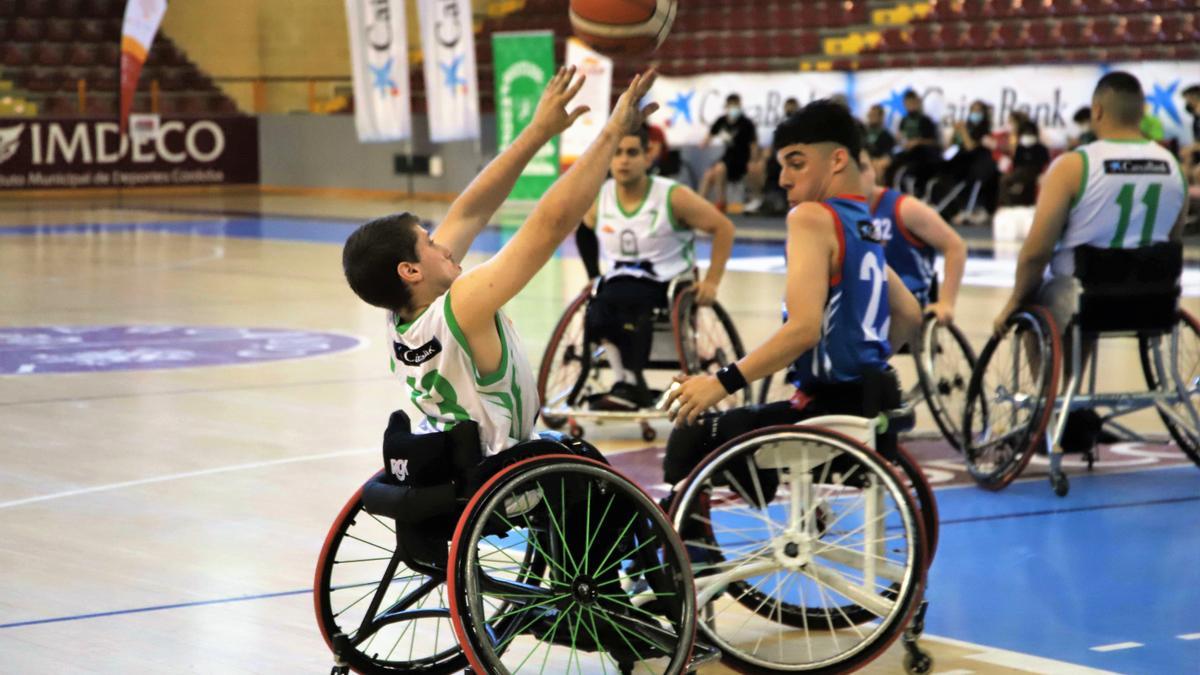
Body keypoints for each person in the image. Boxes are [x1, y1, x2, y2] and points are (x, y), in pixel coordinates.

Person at [341, 66, 659, 455]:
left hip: (452, 464)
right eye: (428, 242)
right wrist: (611, 132)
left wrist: (539, 131)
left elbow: (470, 211)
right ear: (410, 271)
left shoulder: (401, 316)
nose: (443, 245)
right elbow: (550, 225)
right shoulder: (463, 304)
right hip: (503, 469)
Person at [661, 100, 921, 485]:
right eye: (782, 164)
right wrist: (862, 360)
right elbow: (910, 314)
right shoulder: (863, 225)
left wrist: (719, 382)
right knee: (749, 423)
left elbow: (803, 331)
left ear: (836, 160)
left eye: (796, 164)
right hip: (873, 405)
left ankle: (697, 545)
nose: (782, 178)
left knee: (691, 435)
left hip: (825, 414)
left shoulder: (811, 218)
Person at [993, 71, 1189, 455]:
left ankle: (1054, 413)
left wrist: (1016, 300)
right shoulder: (1172, 166)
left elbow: (1036, 252)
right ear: (1141, 112)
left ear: (1097, 110)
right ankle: (1073, 406)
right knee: (1088, 301)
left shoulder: (1074, 165)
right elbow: (1173, 238)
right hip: (1157, 302)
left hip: (1088, 299)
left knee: (1041, 306)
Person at [575, 125, 736, 410]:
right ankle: (624, 381)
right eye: (618, 153)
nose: (624, 160)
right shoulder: (602, 196)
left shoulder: (673, 196)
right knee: (598, 305)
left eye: (632, 153)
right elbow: (584, 232)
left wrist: (711, 282)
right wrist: (591, 275)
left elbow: (723, 228)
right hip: (619, 281)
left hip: (667, 281)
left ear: (648, 157)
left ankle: (631, 382)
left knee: (624, 300)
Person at [860, 148, 967, 325]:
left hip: (906, 305)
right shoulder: (831, 211)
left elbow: (955, 246)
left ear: (876, 169)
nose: (857, 178)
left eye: (863, 168)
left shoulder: (904, 207)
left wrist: (946, 303)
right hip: (862, 302)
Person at [698, 93, 759, 212]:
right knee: (708, 174)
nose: (732, 109)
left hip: (741, 158)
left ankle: (721, 202)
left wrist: (752, 160)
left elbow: (753, 144)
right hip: (728, 157)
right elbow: (709, 136)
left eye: (735, 106)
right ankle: (699, 203)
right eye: (730, 106)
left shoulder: (746, 123)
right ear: (726, 106)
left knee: (720, 168)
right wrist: (705, 142)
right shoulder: (721, 121)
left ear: (740, 106)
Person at [945, 100, 999, 225]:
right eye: (973, 110)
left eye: (978, 111)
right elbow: (950, 147)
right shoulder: (966, 126)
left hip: (976, 163)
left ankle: (972, 209)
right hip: (959, 160)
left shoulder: (983, 130)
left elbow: (970, 146)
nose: (975, 113)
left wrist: (963, 131)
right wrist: (955, 131)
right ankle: (952, 208)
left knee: (973, 178)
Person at [746, 96, 801, 214]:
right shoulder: (781, 126)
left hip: (792, 160)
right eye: (788, 107)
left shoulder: (802, 127)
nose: (790, 110)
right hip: (777, 160)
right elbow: (773, 146)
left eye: (792, 107)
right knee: (756, 167)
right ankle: (759, 198)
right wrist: (764, 156)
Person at [887, 90, 941, 195]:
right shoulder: (903, 120)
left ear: (917, 103)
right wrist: (900, 140)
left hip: (922, 154)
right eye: (907, 103)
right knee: (891, 167)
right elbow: (901, 138)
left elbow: (934, 141)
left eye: (912, 103)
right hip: (906, 152)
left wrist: (918, 141)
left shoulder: (926, 120)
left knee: (912, 171)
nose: (910, 106)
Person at [999, 118, 1050, 206]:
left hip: (1035, 172)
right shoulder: (1019, 148)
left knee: (1010, 180)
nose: (1027, 136)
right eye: (1025, 133)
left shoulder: (1041, 148)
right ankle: (1007, 206)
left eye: (1030, 133)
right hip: (1019, 172)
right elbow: (1015, 163)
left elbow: (1045, 164)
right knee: (1005, 181)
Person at [864, 103, 897, 182]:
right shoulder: (863, 132)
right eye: (870, 114)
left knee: (879, 165)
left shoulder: (886, 135)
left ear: (880, 117)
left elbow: (888, 153)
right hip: (865, 158)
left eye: (874, 115)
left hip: (879, 160)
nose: (871, 117)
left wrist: (878, 161)